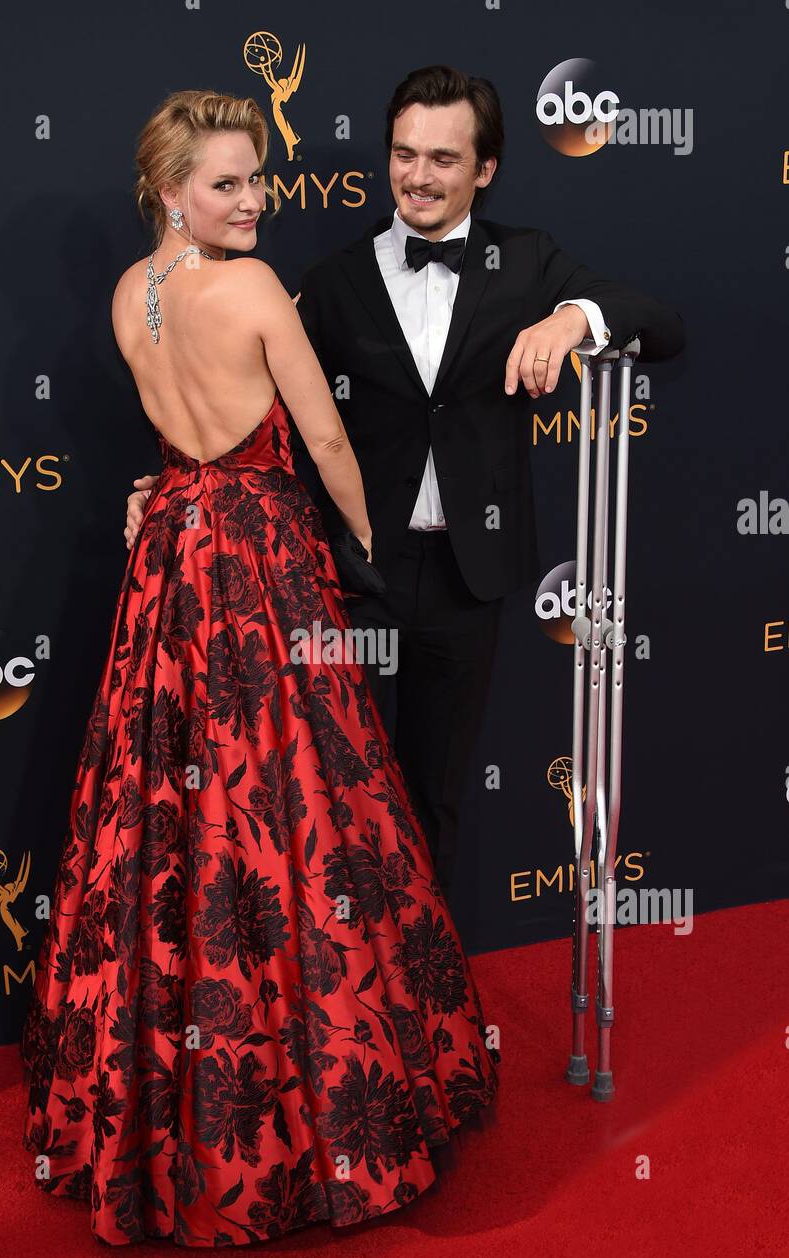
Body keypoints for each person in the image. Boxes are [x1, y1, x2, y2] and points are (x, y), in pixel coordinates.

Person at [20, 89, 499, 1250]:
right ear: (169, 190)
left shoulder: (130, 298)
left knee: (163, 809)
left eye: (257, 179)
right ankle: (321, 1107)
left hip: (170, 557)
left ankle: (154, 1105)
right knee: (293, 800)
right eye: (225, 183)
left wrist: (166, 491)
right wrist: (370, 549)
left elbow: (172, 433)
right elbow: (323, 437)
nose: (252, 200)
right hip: (257, 559)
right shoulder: (250, 287)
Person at [126, 65, 685, 899]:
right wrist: (171, 483)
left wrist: (572, 319)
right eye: (403, 154)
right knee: (337, 800)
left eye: (444, 159)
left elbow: (662, 326)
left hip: (470, 578)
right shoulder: (333, 279)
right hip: (355, 579)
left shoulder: (528, 263)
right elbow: (238, 401)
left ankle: (429, 995)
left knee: (435, 796)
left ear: (485, 168)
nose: (419, 176)